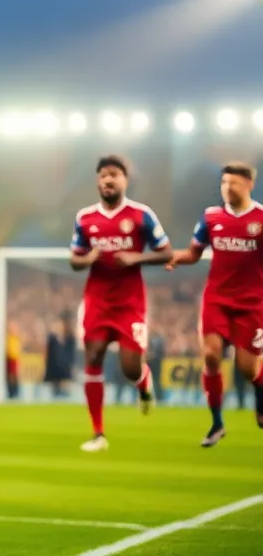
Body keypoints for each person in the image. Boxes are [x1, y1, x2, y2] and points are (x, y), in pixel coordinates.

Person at [69, 154, 172, 452]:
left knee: (129, 368)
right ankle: (98, 433)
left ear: (125, 180)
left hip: (130, 302)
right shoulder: (85, 218)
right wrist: (88, 258)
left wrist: (136, 258)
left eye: (113, 174)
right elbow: (74, 260)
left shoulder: (141, 215)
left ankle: (143, 381)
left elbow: (167, 254)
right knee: (93, 357)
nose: (107, 180)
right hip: (97, 300)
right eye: (103, 175)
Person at [165, 161, 263, 446]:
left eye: (233, 183)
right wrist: (177, 258)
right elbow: (194, 253)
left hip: (252, 304)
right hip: (217, 298)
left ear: (249, 184)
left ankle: (260, 395)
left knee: (248, 368)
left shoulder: (260, 218)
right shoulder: (211, 217)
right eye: (224, 183)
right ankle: (217, 423)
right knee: (210, 355)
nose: (227, 188)